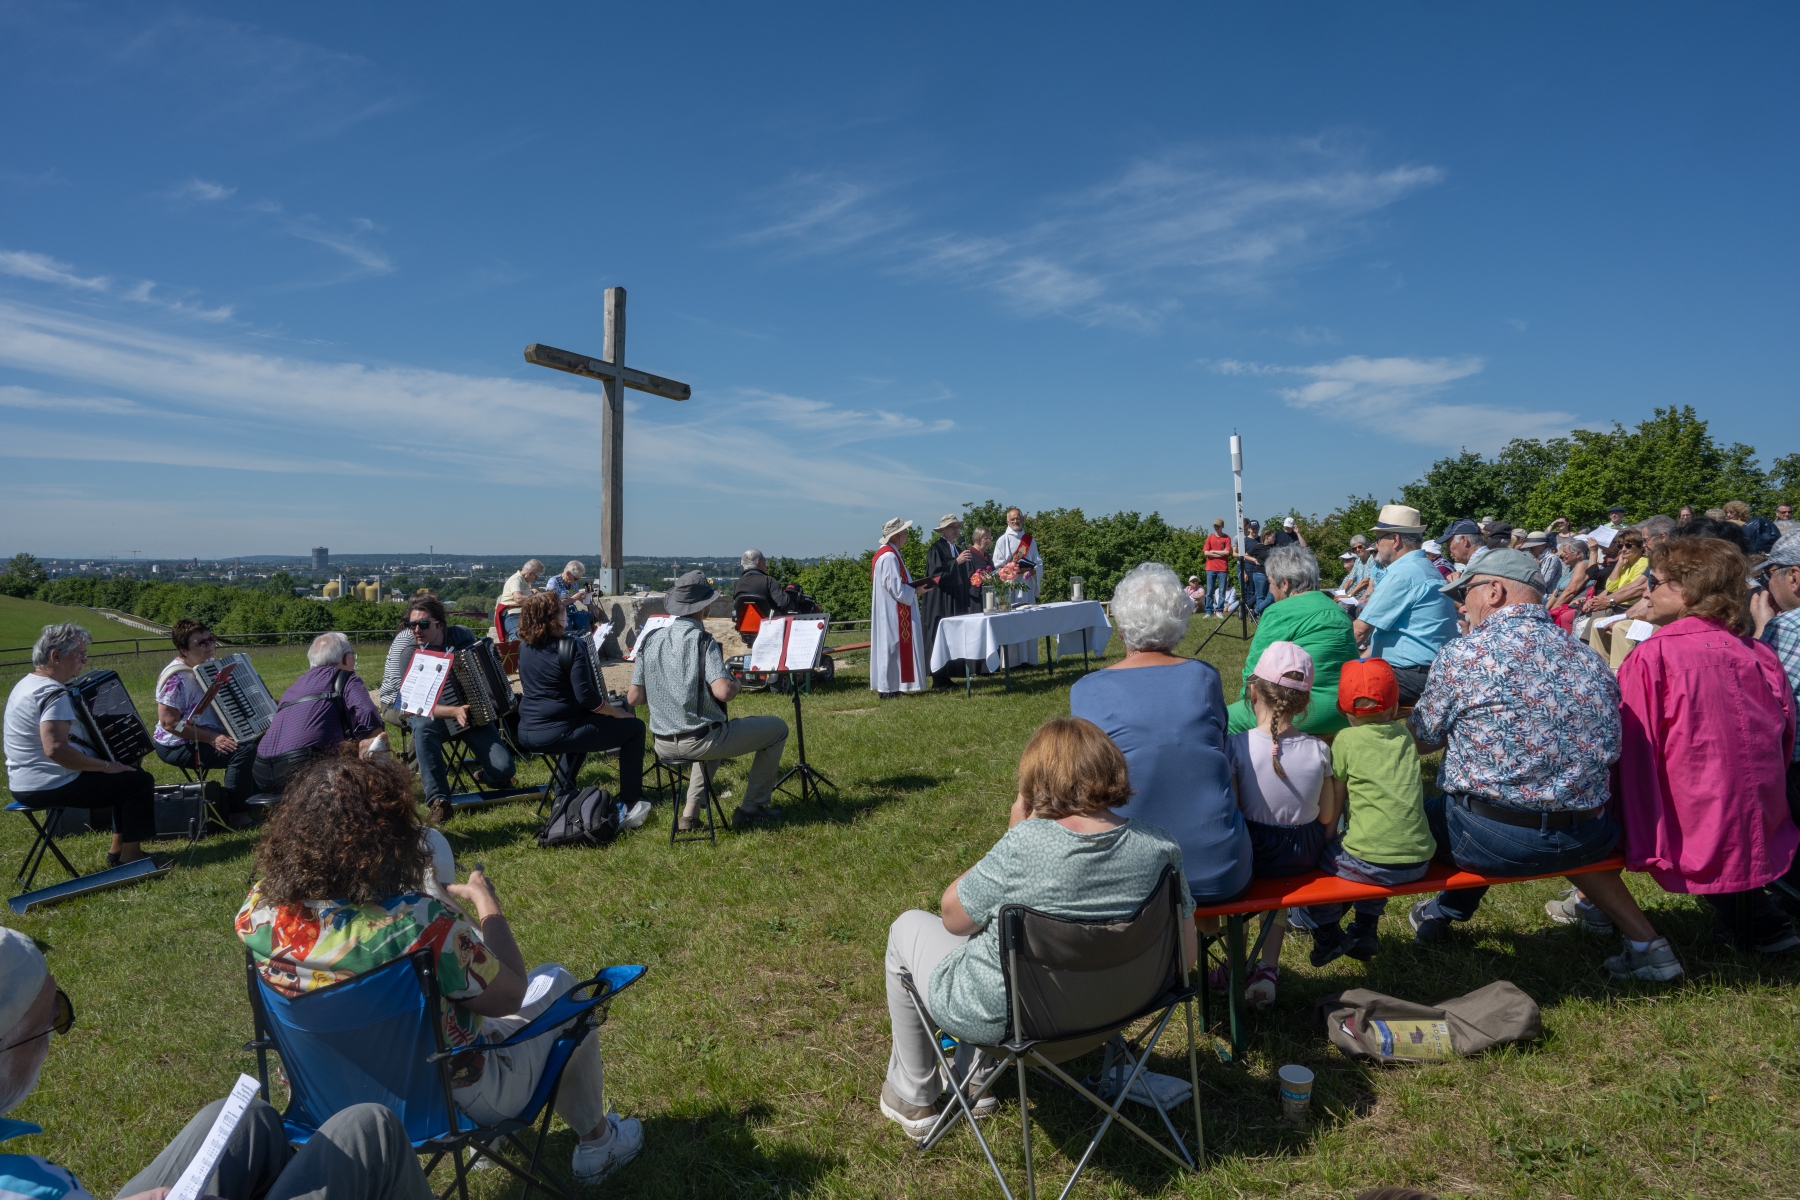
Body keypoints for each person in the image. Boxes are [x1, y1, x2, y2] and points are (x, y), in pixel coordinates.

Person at [236, 757, 643, 1186]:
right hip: (448, 1104)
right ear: (387, 836)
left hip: (328, 1102)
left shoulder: (258, 915)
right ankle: (598, 1146)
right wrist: (486, 904)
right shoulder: (419, 924)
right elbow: (512, 995)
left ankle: (487, 1148)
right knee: (559, 983)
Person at [878, 717, 1197, 1139]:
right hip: (1123, 1010)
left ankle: (914, 1096)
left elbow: (952, 917)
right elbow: (1186, 956)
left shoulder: (1024, 846)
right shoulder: (1161, 846)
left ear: (1036, 783)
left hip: (1021, 1027)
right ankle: (975, 1077)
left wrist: (1010, 835)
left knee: (907, 927)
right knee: (995, 926)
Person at [1404, 550, 1682, 980]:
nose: (1461, 605)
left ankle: (1323, 920)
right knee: (1526, 815)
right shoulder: (1587, 656)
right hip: (1589, 833)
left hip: (1491, 839)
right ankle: (1649, 946)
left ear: (1494, 591)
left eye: (1464, 593)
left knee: (1403, 821)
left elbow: (1423, 739)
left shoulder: (1464, 654)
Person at [0, 928, 439, 1200]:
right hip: (432, 1103)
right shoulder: (39, 1190)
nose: (56, 1032)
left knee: (245, 1117)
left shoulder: (261, 919)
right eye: (52, 1017)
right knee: (371, 1129)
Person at [1612, 537, 1800, 952]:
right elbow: (1785, 734)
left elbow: (1632, 745)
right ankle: (1762, 924)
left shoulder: (1654, 655)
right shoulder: (1757, 652)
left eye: (1654, 581)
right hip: (1759, 801)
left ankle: (1596, 905)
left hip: (1688, 806)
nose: (1646, 591)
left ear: (1689, 589)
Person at [1070, 563, 1251, 906]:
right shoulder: (1205, 677)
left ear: (1121, 629)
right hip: (1220, 867)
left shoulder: (1086, 690)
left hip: (1129, 878)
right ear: (1178, 624)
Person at [1290, 658, 1436, 966]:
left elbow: (1337, 796)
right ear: (1395, 709)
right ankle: (1365, 927)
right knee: (1374, 844)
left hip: (1372, 862)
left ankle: (1328, 932)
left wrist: (1328, 838)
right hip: (1419, 859)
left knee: (1327, 860)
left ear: (1341, 710)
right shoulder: (1404, 737)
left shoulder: (1345, 740)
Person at [1220, 643, 1333, 1008]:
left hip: (1255, 851)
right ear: (1304, 702)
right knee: (1278, 903)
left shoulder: (1236, 746)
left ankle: (1234, 966)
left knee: (1237, 891)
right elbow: (1327, 816)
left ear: (1253, 691)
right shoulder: (1319, 750)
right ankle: (1268, 968)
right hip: (1303, 854)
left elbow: (1235, 810)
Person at [628, 571, 788, 829]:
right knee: (777, 729)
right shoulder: (702, 640)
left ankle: (690, 815)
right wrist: (736, 683)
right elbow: (723, 692)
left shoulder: (650, 639)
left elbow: (634, 698)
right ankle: (752, 807)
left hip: (662, 744)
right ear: (706, 606)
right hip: (699, 741)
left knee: (712, 726)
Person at [3, 623, 156, 868]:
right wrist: (105, 766)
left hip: (24, 781)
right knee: (138, 782)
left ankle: (117, 851)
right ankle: (131, 858)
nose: (84, 660)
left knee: (127, 770)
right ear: (56, 656)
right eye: (80, 654)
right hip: (49, 783)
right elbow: (56, 750)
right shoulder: (53, 693)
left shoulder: (27, 684)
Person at [378, 597, 516, 825]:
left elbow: (481, 656)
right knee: (422, 725)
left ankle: (486, 776)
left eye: (423, 624)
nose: (416, 630)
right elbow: (415, 704)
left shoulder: (461, 635)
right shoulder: (409, 653)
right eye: (412, 625)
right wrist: (452, 711)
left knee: (504, 770)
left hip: (472, 712)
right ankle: (439, 801)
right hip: (435, 717)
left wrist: (492, 657)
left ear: (440, 625)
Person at [514, 593, 649, 824]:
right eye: (561, 609)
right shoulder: (572, 646)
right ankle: (631, 799)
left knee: (583, 725)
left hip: (526, 731)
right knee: (634, 728)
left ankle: (563, 791)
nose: (565, 612)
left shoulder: (524, 648)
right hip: (557, 731)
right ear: (551, 617)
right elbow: (587, 697)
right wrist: (615, 711)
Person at [1226, 545, 1359, 736]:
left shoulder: (1278, 612)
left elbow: (1253, 673)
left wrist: (1249, 700)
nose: (1270, 591)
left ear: (1285, 584)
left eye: (1271, 583)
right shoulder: (1337, 609)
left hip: (1301, 712)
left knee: (1217, 719)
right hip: (1346, 710)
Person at [1352, 505, 1461, 705]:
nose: (1376, 546)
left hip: (1411, 676)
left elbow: (1359, 631)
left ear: (1395, 539)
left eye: (1378, 540)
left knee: (1339, 687)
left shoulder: (1402, 574)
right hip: (1433, 672)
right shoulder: (1426, 568)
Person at [151, 618, 258, 820]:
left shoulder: (207, 665)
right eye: (201, 643)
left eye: (211, 639)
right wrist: (211, 738)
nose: (209, 645)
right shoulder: (175, 678)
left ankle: (255, 797)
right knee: (243, 751)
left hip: (206, 732)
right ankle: (237, 814)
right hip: (178, 743)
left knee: (261, 735)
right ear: (183, 649)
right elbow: (170, 724)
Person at [253, 631, 385, 794]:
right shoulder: (347, 678)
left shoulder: (297, 684)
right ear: (346, 658)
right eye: (352, 655)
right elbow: (367, 712)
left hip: (262, 770)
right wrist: (373, 748)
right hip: (300, 766)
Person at [1753, 531, 1800, 909]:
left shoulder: (1787, 627)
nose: (1766, 586)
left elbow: (1760, 701)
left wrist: (1759, 630)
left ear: (1794, 577)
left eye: (1769, 575)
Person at [869, 518, 931, 697]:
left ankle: (894, 686)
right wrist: (916, 590)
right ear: (895, 536)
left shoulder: (888, 553)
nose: (907, 535)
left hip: (891, 608)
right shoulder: (888, 556)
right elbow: (895, 588)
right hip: (893, 610)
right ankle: (889, 689)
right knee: (892, 647)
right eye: (904, 532)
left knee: (892, 647)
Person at [921, 515, 978, 689]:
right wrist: (956, 562)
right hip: (941, 599)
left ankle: (948, 675)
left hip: (955, 599)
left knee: (952, 637)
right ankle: (938, 678)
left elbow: (963, 577)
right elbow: (936, 575)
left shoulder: (956, 548)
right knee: (940, 636)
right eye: (952, 527)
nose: (956, 530)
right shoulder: (936, 549)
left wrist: (966, 601)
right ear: (943, 530)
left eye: (957, 527)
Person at [1583, 529, 1650, 668]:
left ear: (1640, 547)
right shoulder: (1626, 564)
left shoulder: (1643, 563)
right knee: (1596, 623)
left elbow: (1635, 587)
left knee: (1602, 620)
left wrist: (1607, 601)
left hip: (1628, 607)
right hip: (1616, 605)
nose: (1623, 549)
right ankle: (1599, 665)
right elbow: (1611, 586)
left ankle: (1614, 669)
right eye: (1620, 546)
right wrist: (1619, 564)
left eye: (1628, 545)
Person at [993, 507, 1044, 666]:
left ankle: (1028, 659)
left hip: (1026, 584)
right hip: (1011, 586)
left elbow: (1038, 562)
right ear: (1007, 521)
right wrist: (1014, 569)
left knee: (1027, 620)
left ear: (1022, 519)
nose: (1016, 521)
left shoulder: (1030, 540)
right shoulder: (1003, 540)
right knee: (1012, 622)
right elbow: (997, 565)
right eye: (1013, 519)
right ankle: (1012, 662)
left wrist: (1034, 570)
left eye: (1018, 518)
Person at [734, 549, 817, 617]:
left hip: (746, 627)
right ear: (758, 563)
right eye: (764, 560)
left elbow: (736, 606)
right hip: (768, 626)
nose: (766, 563)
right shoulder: (768, 581)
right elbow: (784, 604)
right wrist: (793, 603)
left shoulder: (738, 583)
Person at [497, 559, 545, 640]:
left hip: (523, 614)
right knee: (518, 636)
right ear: (530, 573)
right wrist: (537, 598)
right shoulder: (516, 579)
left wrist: (531, 592)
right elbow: (518, 598)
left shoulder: (523, 581)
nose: (535, 579)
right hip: (513, 615)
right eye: (536, 577)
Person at [543, 560, 593, 633]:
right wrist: (573, 598)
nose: (576, 581)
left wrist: (592, 607)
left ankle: (585, 638)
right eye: (575, 578)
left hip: (572, 612)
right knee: (567, 622)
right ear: (568, 573)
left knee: (583, 618)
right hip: (558, 613)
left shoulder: (573, 583)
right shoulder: (554, 582)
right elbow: (553, 603)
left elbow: (579, 598)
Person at [1203, 519, 1233, 617]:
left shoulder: (1227, 538)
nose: (1216, 528)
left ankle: (1219, 610)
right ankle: (1209, 611)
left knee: (1222, 591)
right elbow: (1206, 552)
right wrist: (1220, 554)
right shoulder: (1210, 537)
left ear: (1222, 526)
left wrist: (1213, 551)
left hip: (1222, 568)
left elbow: (1227, 552)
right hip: (1210, 567)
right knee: (1209, 591)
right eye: (1215, 526)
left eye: (1218, 526)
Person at [1522, 530, 1562, 600]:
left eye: (1532, 548)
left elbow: (1544, 582)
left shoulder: (1551, 558)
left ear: (1543, 545)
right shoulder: (1538, 558)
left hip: (1549, 597)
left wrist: (1536, 567)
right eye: (1529, 548)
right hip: (1539, 595)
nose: (1530, 551)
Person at [1341, 535, 1382, 603]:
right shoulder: (1357, 561)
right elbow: (1350, 580)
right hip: (1358, 595)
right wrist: (1341, 594)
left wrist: (1349, 595)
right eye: (1354, 548)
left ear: (1367, 546)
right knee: (1340, 602)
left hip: (1369, 595)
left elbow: (1366, 581)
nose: (1357, 550)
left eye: (1360, 546)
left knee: (1343, 604)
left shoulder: (1373, 559)